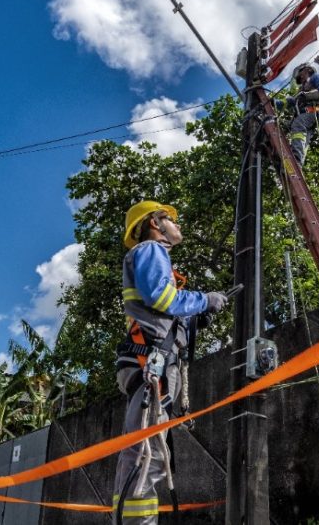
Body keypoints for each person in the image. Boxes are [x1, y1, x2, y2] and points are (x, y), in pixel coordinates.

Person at [112, 200, 228, 524]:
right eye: (171, 219)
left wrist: (194, 318)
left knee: (147, 454)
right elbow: (162, 298)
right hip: (151, 365)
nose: (178, 224)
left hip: (153, 363)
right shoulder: (150, 250)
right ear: (154, 222)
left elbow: (161, 313)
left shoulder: (149, 256)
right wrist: (205, 300)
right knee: (147, 457)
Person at [283, 63, 319, 164]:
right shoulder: (301, 89)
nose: (300, 77)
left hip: (313, 111)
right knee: (301, 139)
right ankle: (296, 165)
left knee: (298, 125)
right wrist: (276, 102)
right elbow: (292, 101)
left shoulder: (314, 78)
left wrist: (308, 95)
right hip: (305, 115)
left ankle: (296, 158)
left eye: (300, 73)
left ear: (308, 70)